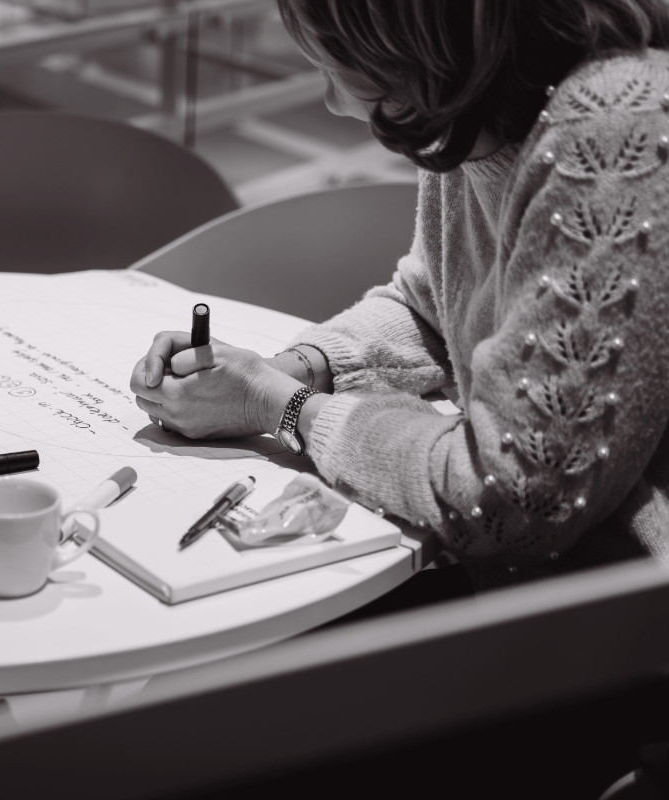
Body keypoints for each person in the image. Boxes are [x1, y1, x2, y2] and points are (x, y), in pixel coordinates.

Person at [131, 0, 669, 592]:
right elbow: (430, 305)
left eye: (337, 64)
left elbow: (512, 498)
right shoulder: (467, 107)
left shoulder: (615, 137)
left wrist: (280, 407)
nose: (333, 102)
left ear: (415, 40)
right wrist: (292, 370)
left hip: (622, 612)